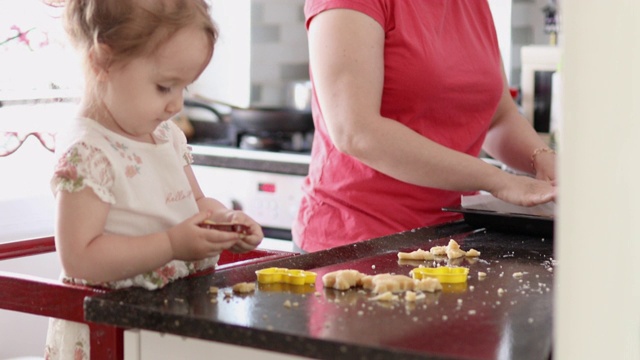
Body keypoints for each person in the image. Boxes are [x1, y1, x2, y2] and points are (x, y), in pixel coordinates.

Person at [45, 0, 263, 358]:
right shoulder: (89, 151)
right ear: (103, 62)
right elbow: (79, 259)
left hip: (165, 319)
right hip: (110, 331)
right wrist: (171, 244)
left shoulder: (166, 137)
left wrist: (225, 221)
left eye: (184, 89)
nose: (176, 105)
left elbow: (196, 204)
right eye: (164, 87)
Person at [293, 0, 557, 252]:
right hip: (357, 242)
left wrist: (542, 159)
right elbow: (356, 132)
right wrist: (498, 181)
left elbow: (498, 118)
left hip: (453, 239)